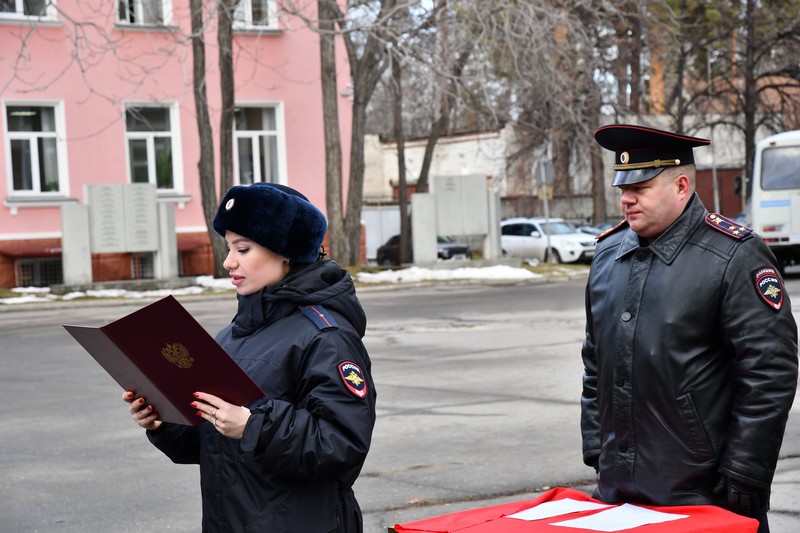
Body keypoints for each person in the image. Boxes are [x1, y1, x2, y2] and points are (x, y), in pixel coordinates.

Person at [123, 182, 377, 532]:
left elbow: (341, 446)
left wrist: (253, 425)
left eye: (243, 248)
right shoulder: (232, 336)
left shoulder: (326, 336)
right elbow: (211, 442)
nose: (228, 262)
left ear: (286, 251)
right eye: (228, 248)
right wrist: (163, 420)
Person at [581, 124, 798, 533]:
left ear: (681, 185)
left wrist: (745, 469)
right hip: (619, 490)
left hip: (705, 493)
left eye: (640, 188)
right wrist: (596, 448)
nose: (626, 198)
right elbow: (595, 363)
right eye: (622, 188)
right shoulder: (608, 256)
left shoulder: (734, 256)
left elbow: (770, 373)